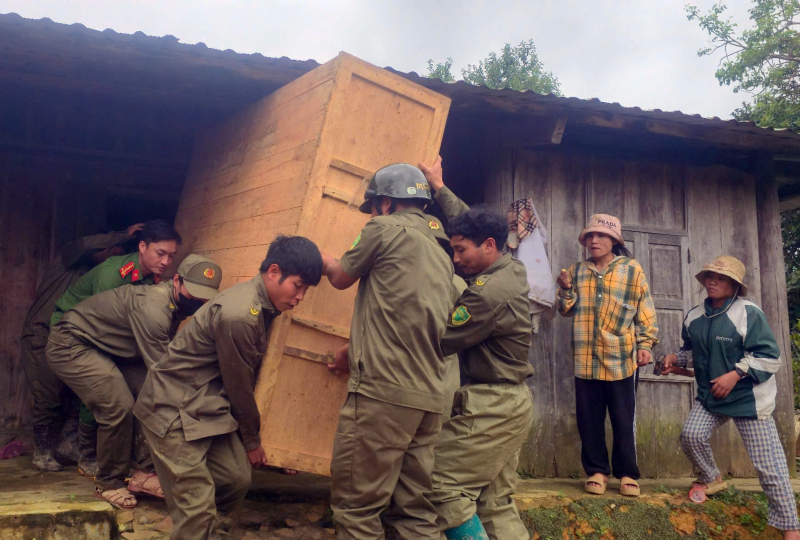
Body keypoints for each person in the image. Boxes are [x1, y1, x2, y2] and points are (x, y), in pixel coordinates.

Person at [134, 236, 322, 540]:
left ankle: (196, 525)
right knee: (197, 509)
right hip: (172, 409)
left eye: (306, 290)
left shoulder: (262, 306)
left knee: (234, 480)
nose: (300, 297)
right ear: (274, 271)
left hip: (205, 407)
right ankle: (193, 521)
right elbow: (239, 386)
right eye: (298, 286)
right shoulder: (240, 315)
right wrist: (252, 440)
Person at [322, 163, 454, 540]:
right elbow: (405, 313)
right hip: (429, 398)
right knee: (415, 512)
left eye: (375, 207)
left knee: (357, 508)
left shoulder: (382, 228)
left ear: (385, 203)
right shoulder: (441, 250)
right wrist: (356, 344)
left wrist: (323, 259)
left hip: (383, 395)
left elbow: (341, 277)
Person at [46, 254, 221, 509]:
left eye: (205, 296)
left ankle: (144, 473)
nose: (198, 300)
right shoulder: (154, 308)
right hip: (72, 344)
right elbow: (165, 374)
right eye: (193, 292)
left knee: (149, 394)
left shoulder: (175, 304)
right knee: (119, 405)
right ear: (176, 281)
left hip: (111, 348)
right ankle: (109, 482)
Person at [420, 157, 534, 540]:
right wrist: (439, 187)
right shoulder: (508, 266)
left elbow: (439, 341)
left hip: (492, 406)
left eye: (460, 251)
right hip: (511, 402)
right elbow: (469, 222)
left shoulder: (485, 296)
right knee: (493, 501)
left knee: (441, 485)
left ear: (488, 246)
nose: (455, 259)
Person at [661, 255, 800, 539]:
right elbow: (694, 352)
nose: (713, 282)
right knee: (691, 435)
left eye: (721, 278)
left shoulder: (748, 313)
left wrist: (735, 374)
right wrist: (676, 358)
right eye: (710, 277)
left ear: (734, 285)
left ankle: (791, 530)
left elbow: (770, 358)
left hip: (749, 399)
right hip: (712, 395)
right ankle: (711, 477)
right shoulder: (694, 316)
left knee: (771, 468)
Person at [50, 218, 181, 477]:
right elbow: (100, 324)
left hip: (108, 334)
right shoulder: (115, 274)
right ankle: (87, 454)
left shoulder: (152, 280)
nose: (166, 261)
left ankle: (119, 455)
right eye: (160, 253)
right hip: (75, 331)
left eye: (171, 256)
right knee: (104, 385)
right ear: (142, 246)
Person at [21, 223, 143, 472]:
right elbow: (86, 245)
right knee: (47, 396)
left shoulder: (105, 275)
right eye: (111, 249)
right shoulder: (69, 260)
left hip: (74, 339)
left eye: (119, 251)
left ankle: (69, 446)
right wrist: (122, 235)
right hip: (42, 333)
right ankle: (42, 452)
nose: (114, 254)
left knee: (80, 395)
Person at [556, 213, 658, 497]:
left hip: (621, 359)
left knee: (623, 419)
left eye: (601, 235)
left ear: (614, 240)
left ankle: (627, 473)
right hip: (586, 358)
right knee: (589, 419)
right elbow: (565, 310)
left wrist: (645, 344)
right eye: (590, 235)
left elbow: (645, 309)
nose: (594, 240)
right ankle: (597, 471)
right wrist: (565, 289)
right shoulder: (576, 271)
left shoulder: (632, 270)